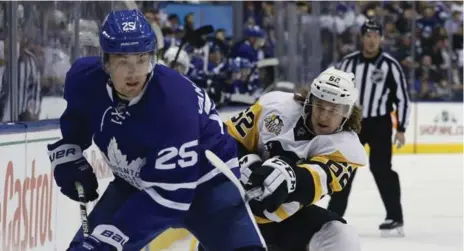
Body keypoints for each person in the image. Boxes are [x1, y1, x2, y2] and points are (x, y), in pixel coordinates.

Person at [46, 10, 266, 251]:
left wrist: (111, 240)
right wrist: (69, 151)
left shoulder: (174, 102)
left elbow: (171, 197)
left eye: (141, 59)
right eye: (123, 61)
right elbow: (78, 118)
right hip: (135, 183)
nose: (134, 72)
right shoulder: (84, 79)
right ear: (105, 62)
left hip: (210, 187)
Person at [192, 67, 368, 251]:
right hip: (239, 212)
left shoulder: (347, 148)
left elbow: (313, 181)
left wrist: (291, 178)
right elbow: (225, 139)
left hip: (287, 222)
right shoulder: (274, 107)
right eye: (320, 106)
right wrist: (242, 163)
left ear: (347, 113)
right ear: (310, 101)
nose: (324, 115)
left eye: (334, 110)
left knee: (341, 237)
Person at [327, 19, 411, 237]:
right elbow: (334, 91)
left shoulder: (390, 65)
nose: (372, 40)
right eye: (368, 36)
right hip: (353, 124)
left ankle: (394, 217)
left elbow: (402, 98)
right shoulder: (347, 63)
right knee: (344, 169)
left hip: (380, 123)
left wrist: (401, 128)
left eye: (375, 36)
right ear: (362, 38)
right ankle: (333, 216)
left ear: (381, 38)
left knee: (382, 169)